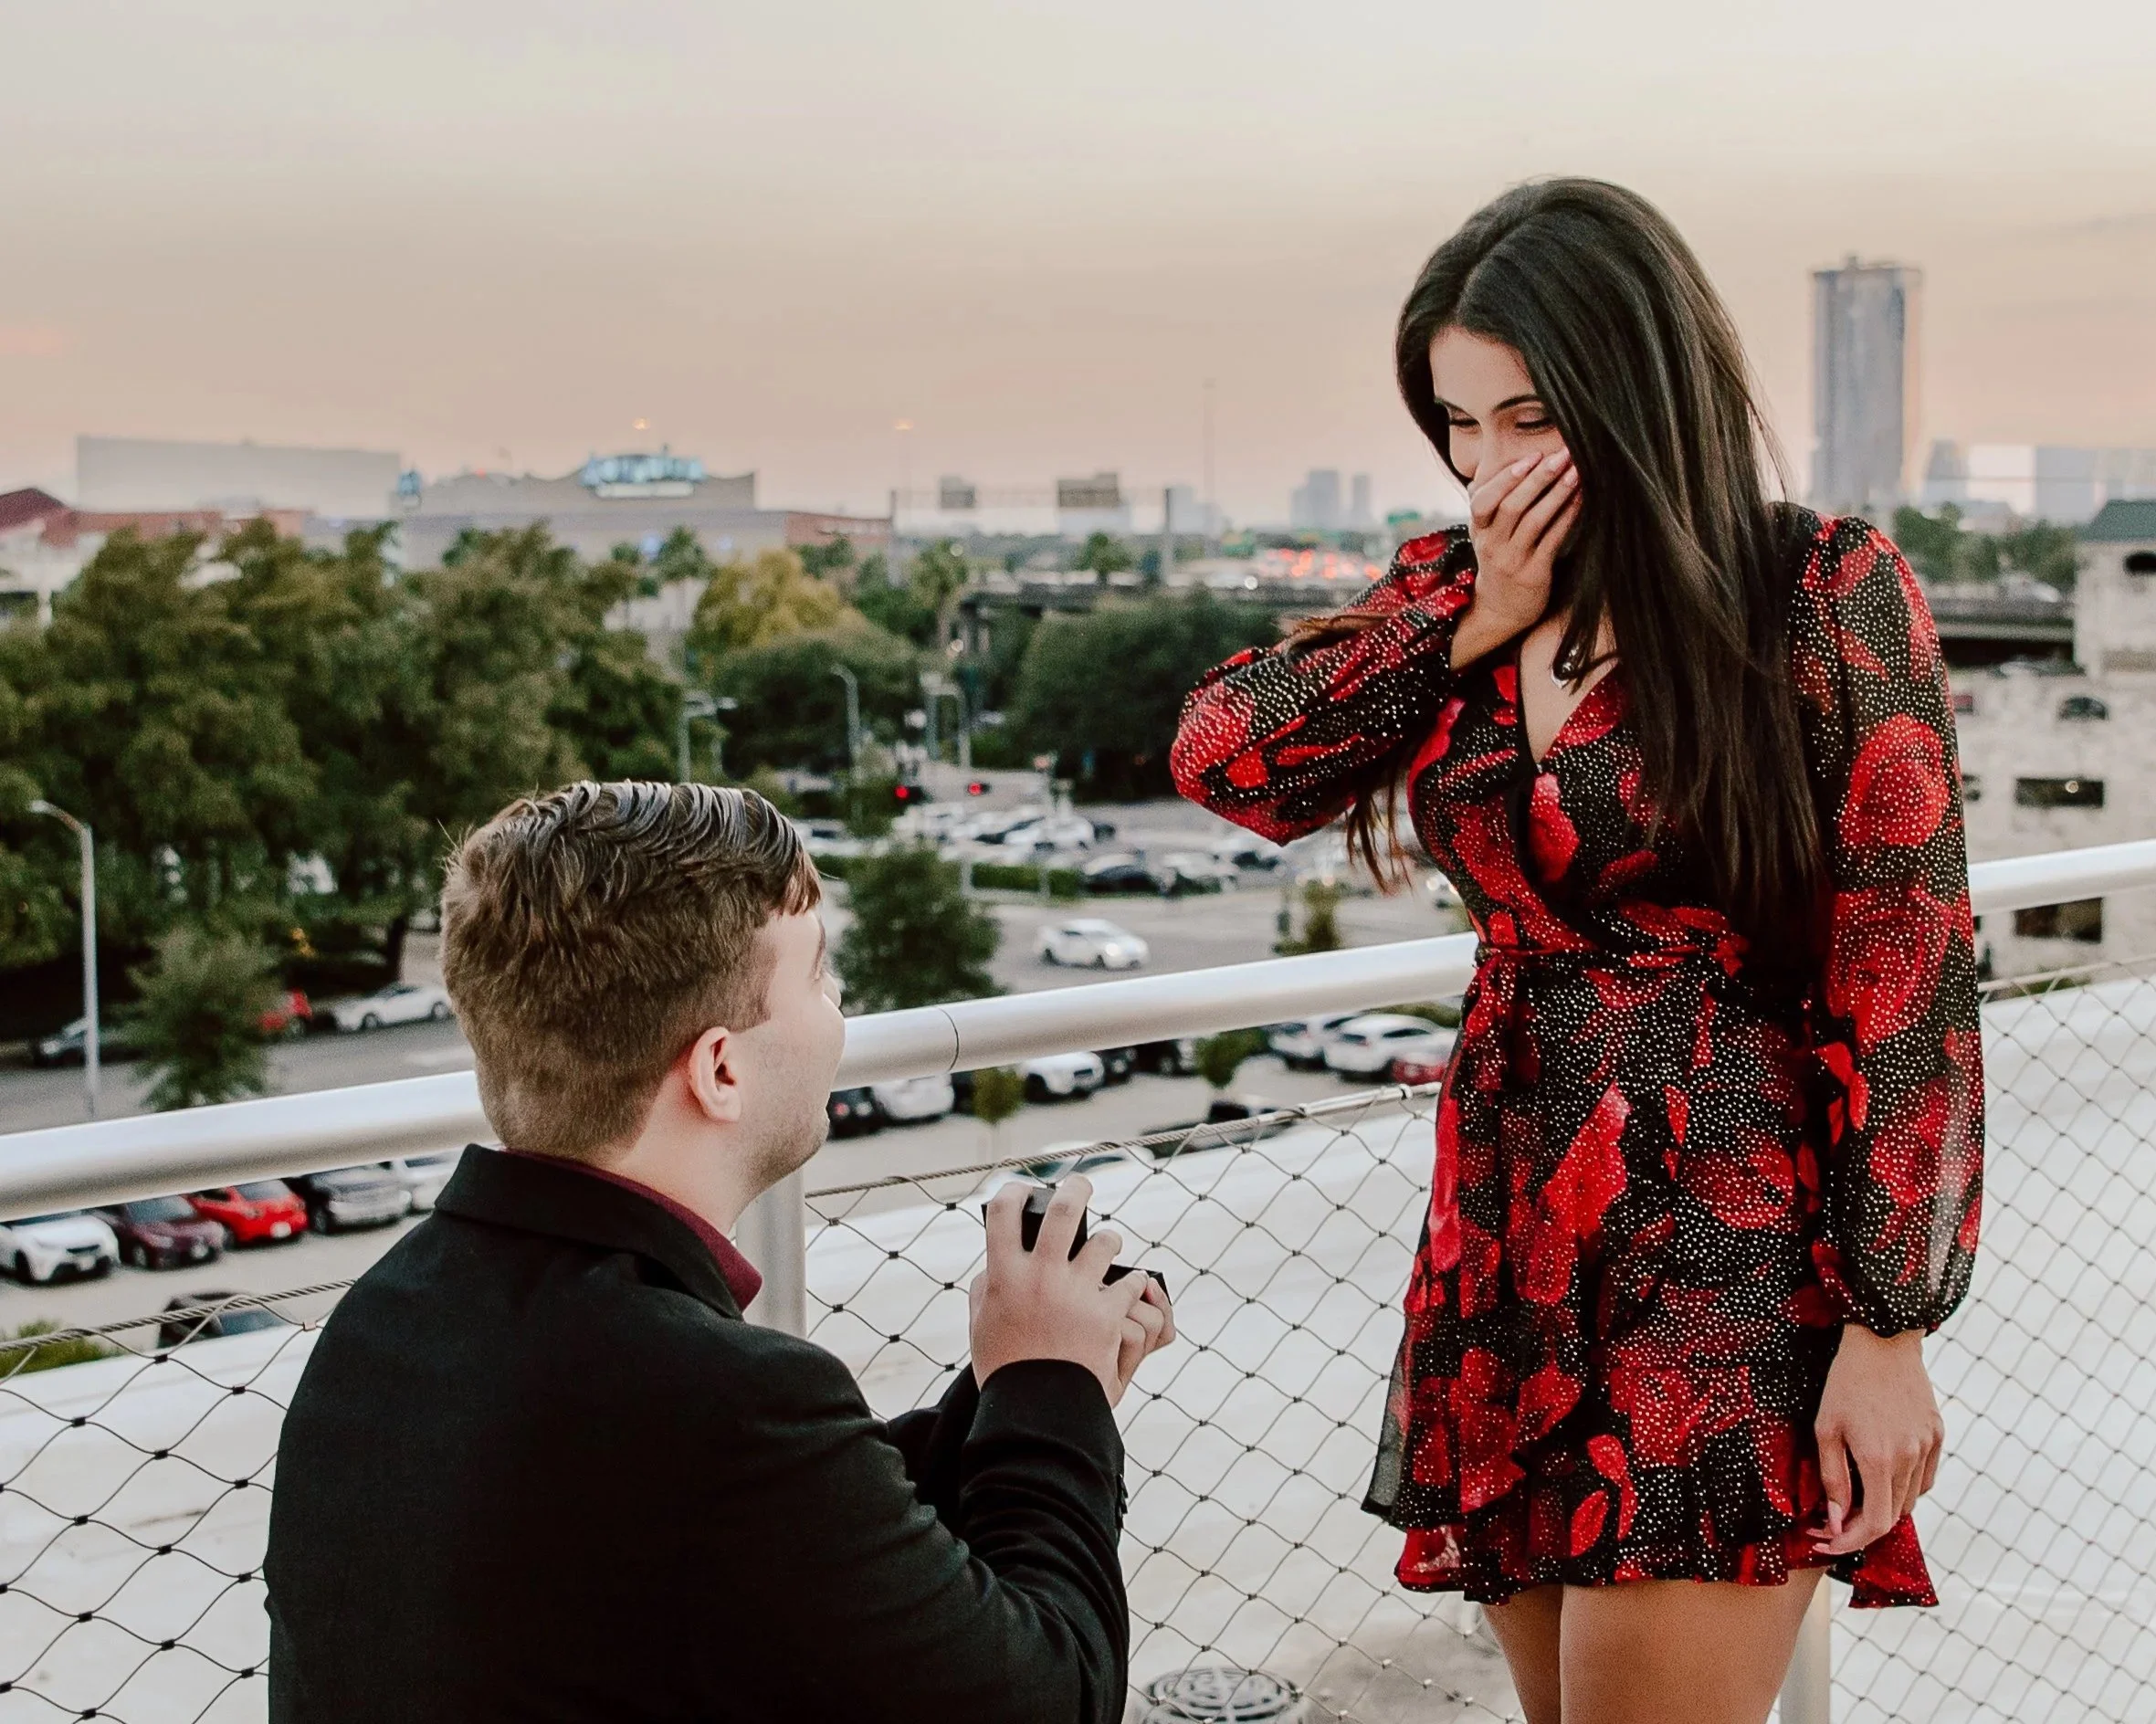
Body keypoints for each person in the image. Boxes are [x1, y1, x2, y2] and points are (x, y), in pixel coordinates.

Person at [1172, 180, 1979, 1724]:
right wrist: (1478, 615)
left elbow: (1912, 971)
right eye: (1457, 423)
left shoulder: (1816, 590)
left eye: (1528, 414)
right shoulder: (1456, 590)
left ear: (1635, 385)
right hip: (1506, 1241)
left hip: (1731, 1258)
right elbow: (1228, 761)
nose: (1491, 464)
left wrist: (1891, 1329)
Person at [265, 781, 1173, 1724]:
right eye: (819, 975)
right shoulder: (712, 1400)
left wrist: (1018, 1378)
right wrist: (1052, 1393)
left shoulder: (381, 1320)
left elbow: (794, 1539)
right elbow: (1054, 1696)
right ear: (720, 1069)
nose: (840, 1009)